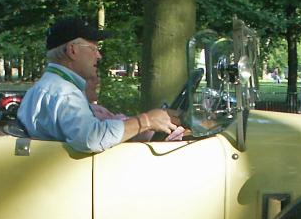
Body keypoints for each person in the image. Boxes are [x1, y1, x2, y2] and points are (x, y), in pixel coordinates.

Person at [17, 17, 182, 153]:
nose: (99, 55)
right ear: (72, 50)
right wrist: (146, 121)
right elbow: (91, 138)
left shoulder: (46, 86)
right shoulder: (64, 92)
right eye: (93, 48)